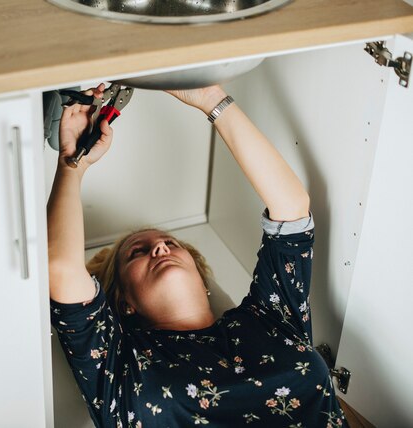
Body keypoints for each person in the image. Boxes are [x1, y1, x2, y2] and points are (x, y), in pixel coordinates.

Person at [47, 83, 348, 427]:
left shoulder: (268, 319)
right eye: (138, 253)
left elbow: (292, 210)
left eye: (171, 244)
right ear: (123, 300)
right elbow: (61, 270)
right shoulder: (121, 365)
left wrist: (211, 98)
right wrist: (73, 164)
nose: (160, 247)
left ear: (201, 276)